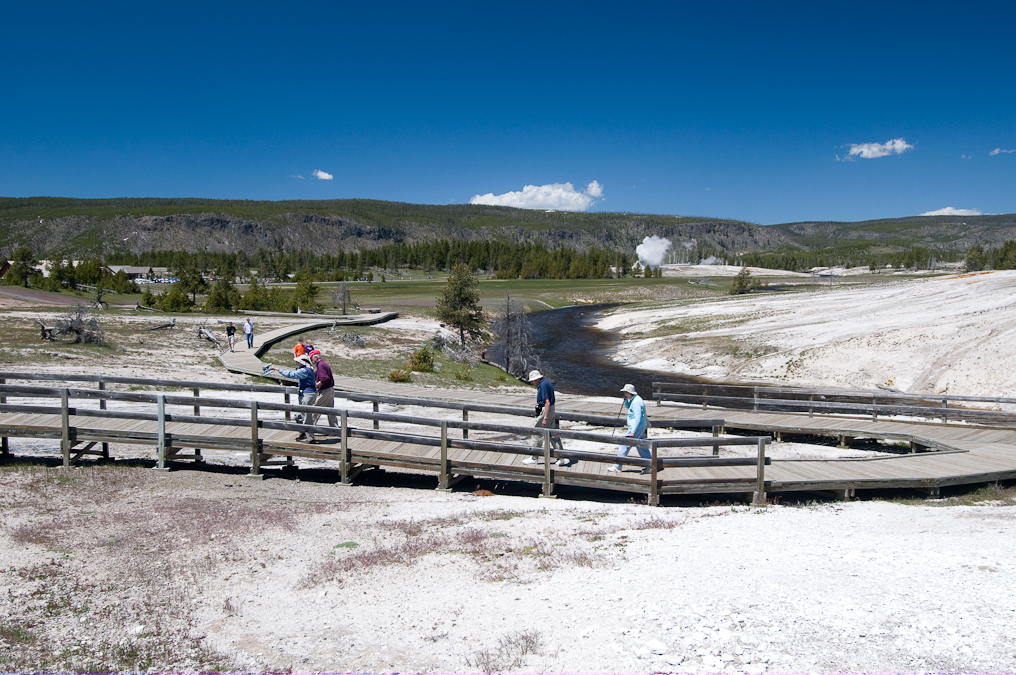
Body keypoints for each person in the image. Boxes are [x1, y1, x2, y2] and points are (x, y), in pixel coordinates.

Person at [522, 369, 567, 466]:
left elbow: (547, 402)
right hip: (551, 409)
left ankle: (534, 457)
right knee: (552, 434)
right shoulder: (546, 382)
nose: (532, 382)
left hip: (547, 410)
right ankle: (561, 456)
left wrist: (545, 417)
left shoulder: (542, 385)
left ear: (537, 379)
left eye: (532, 380)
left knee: (537, 433)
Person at [269, 355, 318, 442]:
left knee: (306, 417)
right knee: (299, 415)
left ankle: (310, 438)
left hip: (307, 394)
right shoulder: (309, 370)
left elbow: (291, 375)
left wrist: (277, 369)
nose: (297, 363)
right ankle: (304, 432)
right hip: (308, 393)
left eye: (298, 362)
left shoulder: (304, 371)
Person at [608, 384, 650, 473]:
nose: (624, 393)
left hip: (636, 427)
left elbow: (637, 418)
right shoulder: (635, 399)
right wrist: (626, 401)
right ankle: (650, 465)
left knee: (624, 445)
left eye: (625, 392)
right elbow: (629, 407)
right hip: (639, 427)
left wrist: (633, 431)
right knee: (641, 446)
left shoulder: (636, 402)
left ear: (629, 392)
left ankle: (617, 466)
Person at [308, 349, 338, 429]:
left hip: (325, 390)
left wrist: (315, 385)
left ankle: (310, 429)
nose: (311, 360)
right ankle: (335, 429)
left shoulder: (320, 365)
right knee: (330, 411)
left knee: (315, 409)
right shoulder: (323, 364)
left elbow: (324, 379)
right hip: (330, 390)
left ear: (315, 357)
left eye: (311, 358)